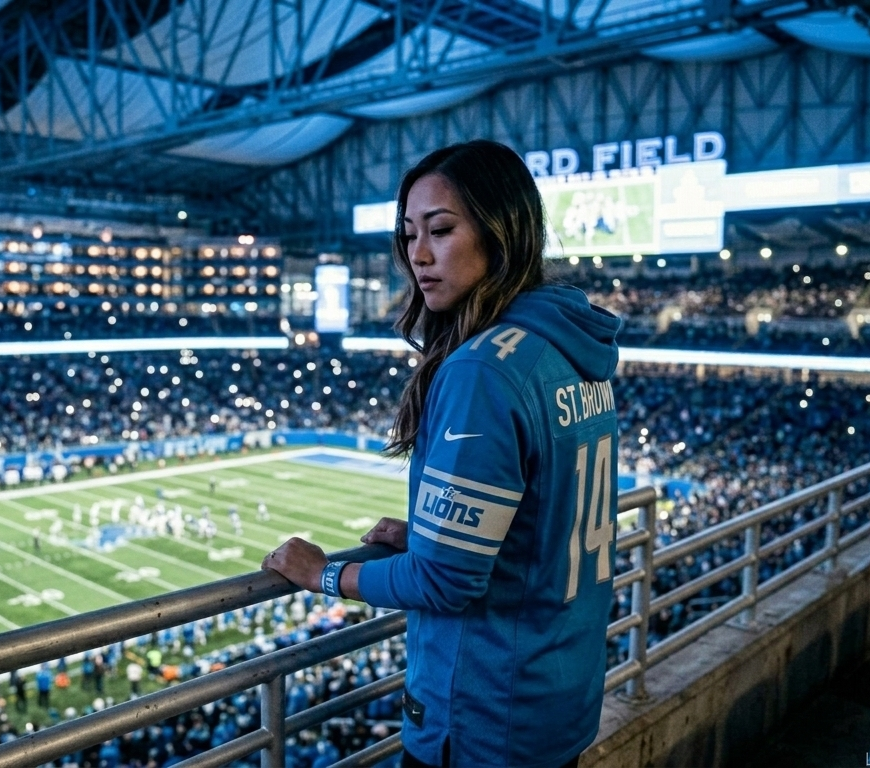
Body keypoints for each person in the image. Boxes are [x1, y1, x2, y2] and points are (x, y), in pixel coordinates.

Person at [263, 140, 621, 768]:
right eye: (408, 236)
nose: (418, 255)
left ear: (502, 232)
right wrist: (439, 535)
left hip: (485, 719)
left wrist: (324, 573)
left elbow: (444, 582)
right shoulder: (569, 350)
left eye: (442, 230)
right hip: (557, 700)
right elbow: (542, 520)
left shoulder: (483, 369)